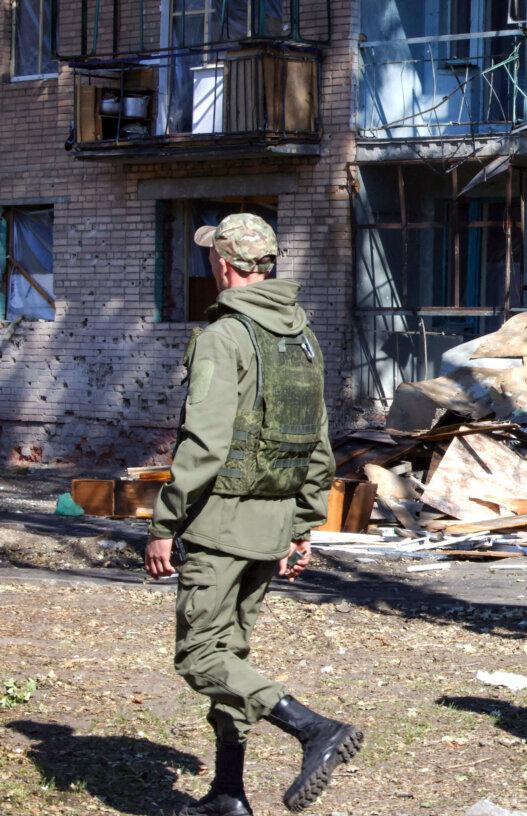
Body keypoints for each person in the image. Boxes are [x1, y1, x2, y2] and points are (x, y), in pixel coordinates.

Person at [144, 213, 363, 815]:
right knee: (230, 658)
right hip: (271, 527)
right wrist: (301, 525)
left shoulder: (225, 335)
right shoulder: (301, 336)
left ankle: (311, 727)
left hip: (219, 525)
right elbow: (319, 444)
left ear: (221, 264)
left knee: (200, 655)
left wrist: (165, 524)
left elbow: (205, 444)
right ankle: (227, 794)